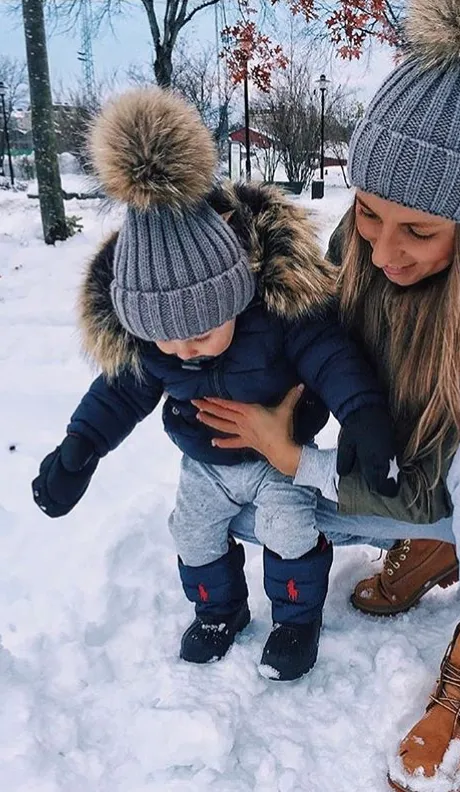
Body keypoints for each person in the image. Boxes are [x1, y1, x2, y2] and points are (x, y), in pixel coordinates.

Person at [193, 0, 460, 788]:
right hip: (415, 478)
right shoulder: (359, 251)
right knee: (253, 509)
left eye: (418, 232)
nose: (383, 251)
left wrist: (296, 455)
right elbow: (310, 364)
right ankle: (441, 544)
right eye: (370, 215)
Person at [31, 87, 399, 683]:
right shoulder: (156, 348)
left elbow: (331, 357)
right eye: (165, 339)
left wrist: (362, 413)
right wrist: (80, 450)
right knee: (194, 532)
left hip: (280, 457)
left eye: (201, 330)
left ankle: (296, 620)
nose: (184, 350)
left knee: (290, 530)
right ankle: (217, 610)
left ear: (235, 290)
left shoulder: (280, 316)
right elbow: (121, 391)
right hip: (203, 464)